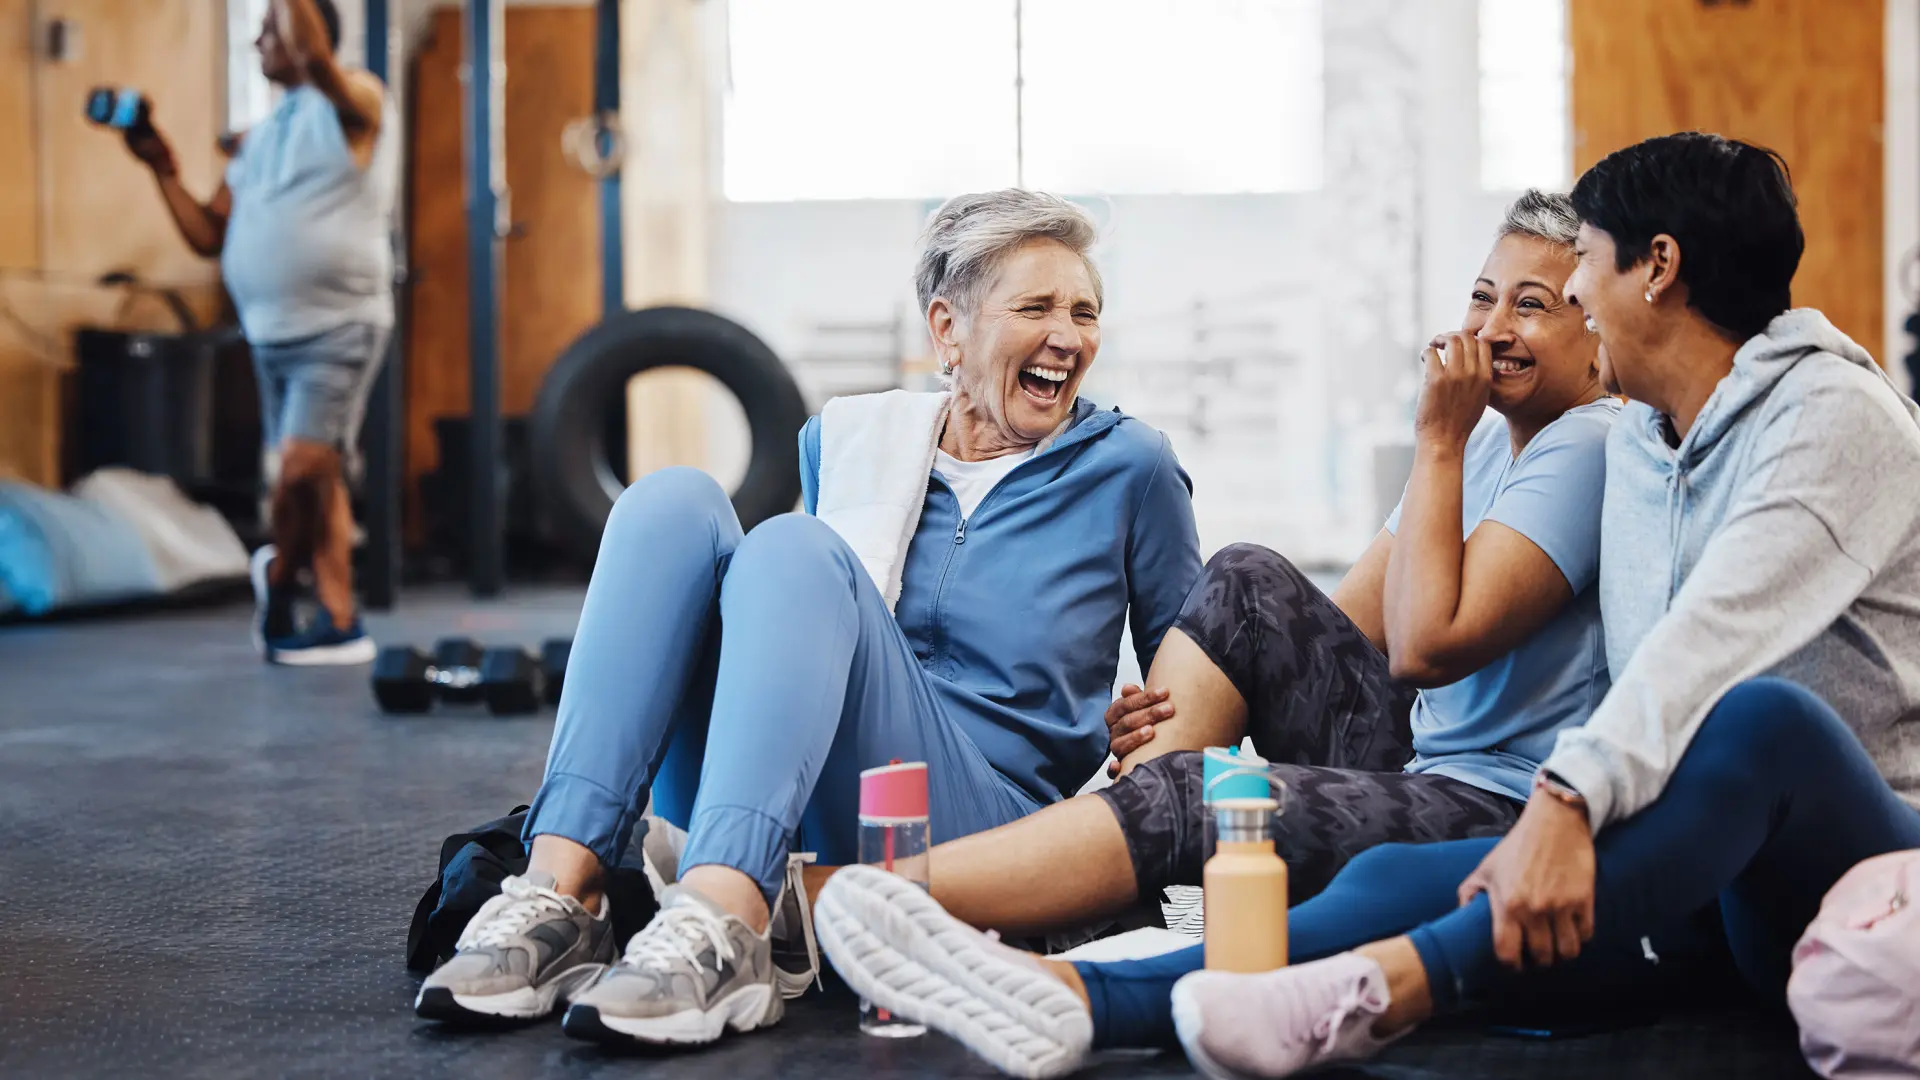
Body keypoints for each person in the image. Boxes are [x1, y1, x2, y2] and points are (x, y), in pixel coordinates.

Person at [811, 133, 1920, 1080]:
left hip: (1845, 857)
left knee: (1758, 716)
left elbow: (1702, 649)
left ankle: (1329, 969)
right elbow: (1345, 635)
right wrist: (1228, 692)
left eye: (1571, 276)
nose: (1560, 301)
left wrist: (1566, 805)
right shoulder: (1646, 438)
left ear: (1656, 270)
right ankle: (1079, 990)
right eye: (1500, 293)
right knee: (1381, 863)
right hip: (1686, 864)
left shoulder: (1830, 419)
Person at [414, 190, 1204, 1049]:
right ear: (948, 329)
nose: (1069, 336)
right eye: (1037, 307)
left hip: (988, 826)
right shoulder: (847, 442)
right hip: (800, 792)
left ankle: (726, 922)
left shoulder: (1132, 467)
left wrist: (1146, 731)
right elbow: (827, 644)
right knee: (670, 502)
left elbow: (1200, 688)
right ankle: (563, 896)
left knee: (794, 548)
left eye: (1085, 312)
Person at [799, 189, 1621, 942]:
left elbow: (1422, 648)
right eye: (1483, 299)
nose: (1493, 329)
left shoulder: (1584, 441)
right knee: (1247, 578)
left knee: (1194, 796)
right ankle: (1109, 846)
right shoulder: (1479, 442)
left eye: (1535, 307)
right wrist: (1169, 704)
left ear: (1596, 339)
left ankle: (843, 898)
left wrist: (1435, 439)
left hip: (1503, 798)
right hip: (1418, 756)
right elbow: (1340, 633)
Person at [120, 0, 394, 665]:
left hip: (338, 324)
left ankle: (276, 575)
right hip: (270, 334)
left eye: (269, 28)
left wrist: (294, 22)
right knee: (317, 474)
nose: (257, 41)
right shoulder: (260, 137)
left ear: (308, 32)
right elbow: (208, 235)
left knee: (301, 469)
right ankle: (336, 617)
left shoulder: (353, 100)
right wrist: (162, 167)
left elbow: (316, 60)